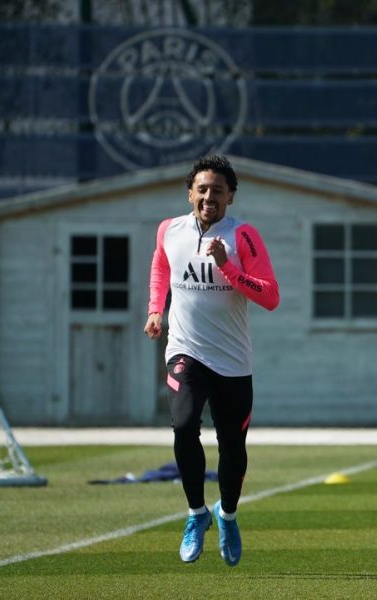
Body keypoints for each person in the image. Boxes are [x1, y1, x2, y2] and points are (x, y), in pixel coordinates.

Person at [144, 155, 280, 567]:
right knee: (184, 426)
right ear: (190, 193)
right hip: (186, 350)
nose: (209, 197)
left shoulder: (244, 237)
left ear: (230, 197)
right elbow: (161, 265)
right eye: (202, 189)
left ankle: (228, 515)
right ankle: (195, 513)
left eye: (217, 191)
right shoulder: (170, 229)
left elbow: (270, 296)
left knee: (232, 448)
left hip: (232, 361)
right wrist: (156, 308)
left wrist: (228, 268)